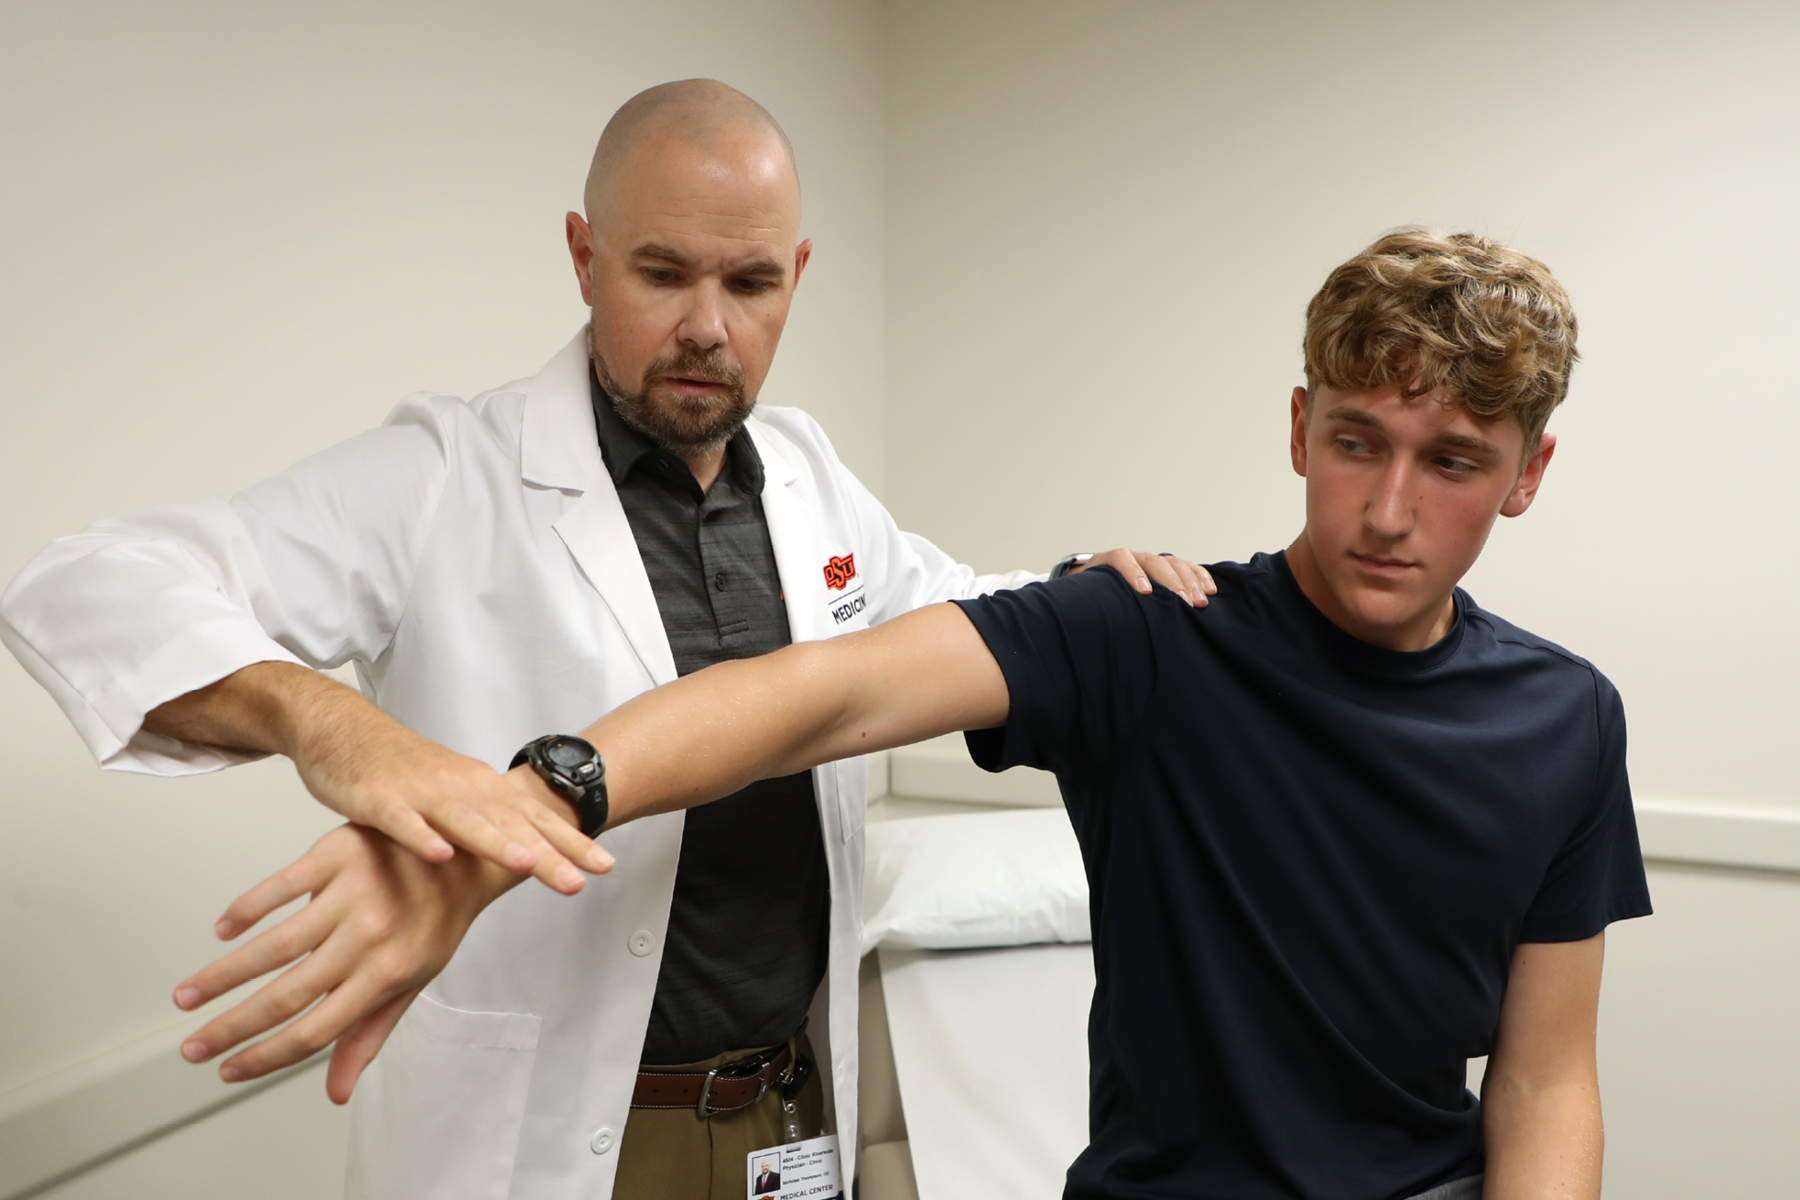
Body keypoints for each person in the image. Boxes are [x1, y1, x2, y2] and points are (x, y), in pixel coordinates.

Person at [162, 228, 1652, 1200]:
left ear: (1527, 474)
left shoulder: (1566, 720)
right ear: (1297, 428)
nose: (1389, 509)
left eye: (1453, 462)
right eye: (1354, 443)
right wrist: (525, 809)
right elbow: (818, 694)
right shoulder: (1150, 640)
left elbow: (1542, 1074)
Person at [0, 79, 1212, 1200]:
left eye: (749, 284)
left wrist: (1089, 586)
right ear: (584, 259)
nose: (706, 327)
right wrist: (341, 732)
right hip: (552, 1140)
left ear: (796, 275)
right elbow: (91, 583)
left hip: (790, 1111)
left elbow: (950, 610)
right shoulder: (445, 477)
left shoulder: (810, 481)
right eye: (661, 273)